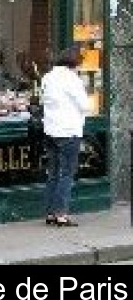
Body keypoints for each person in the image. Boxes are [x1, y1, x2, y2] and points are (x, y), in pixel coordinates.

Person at [41, 45, 91, 227]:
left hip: (51, 130)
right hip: (68, 130)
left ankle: (49, 213)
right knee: (67, 173)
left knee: (53, 173)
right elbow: (85, 105)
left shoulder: (48, 77)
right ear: (74, 62)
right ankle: (61, 213)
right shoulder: (72, 80)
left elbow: (43, 101)